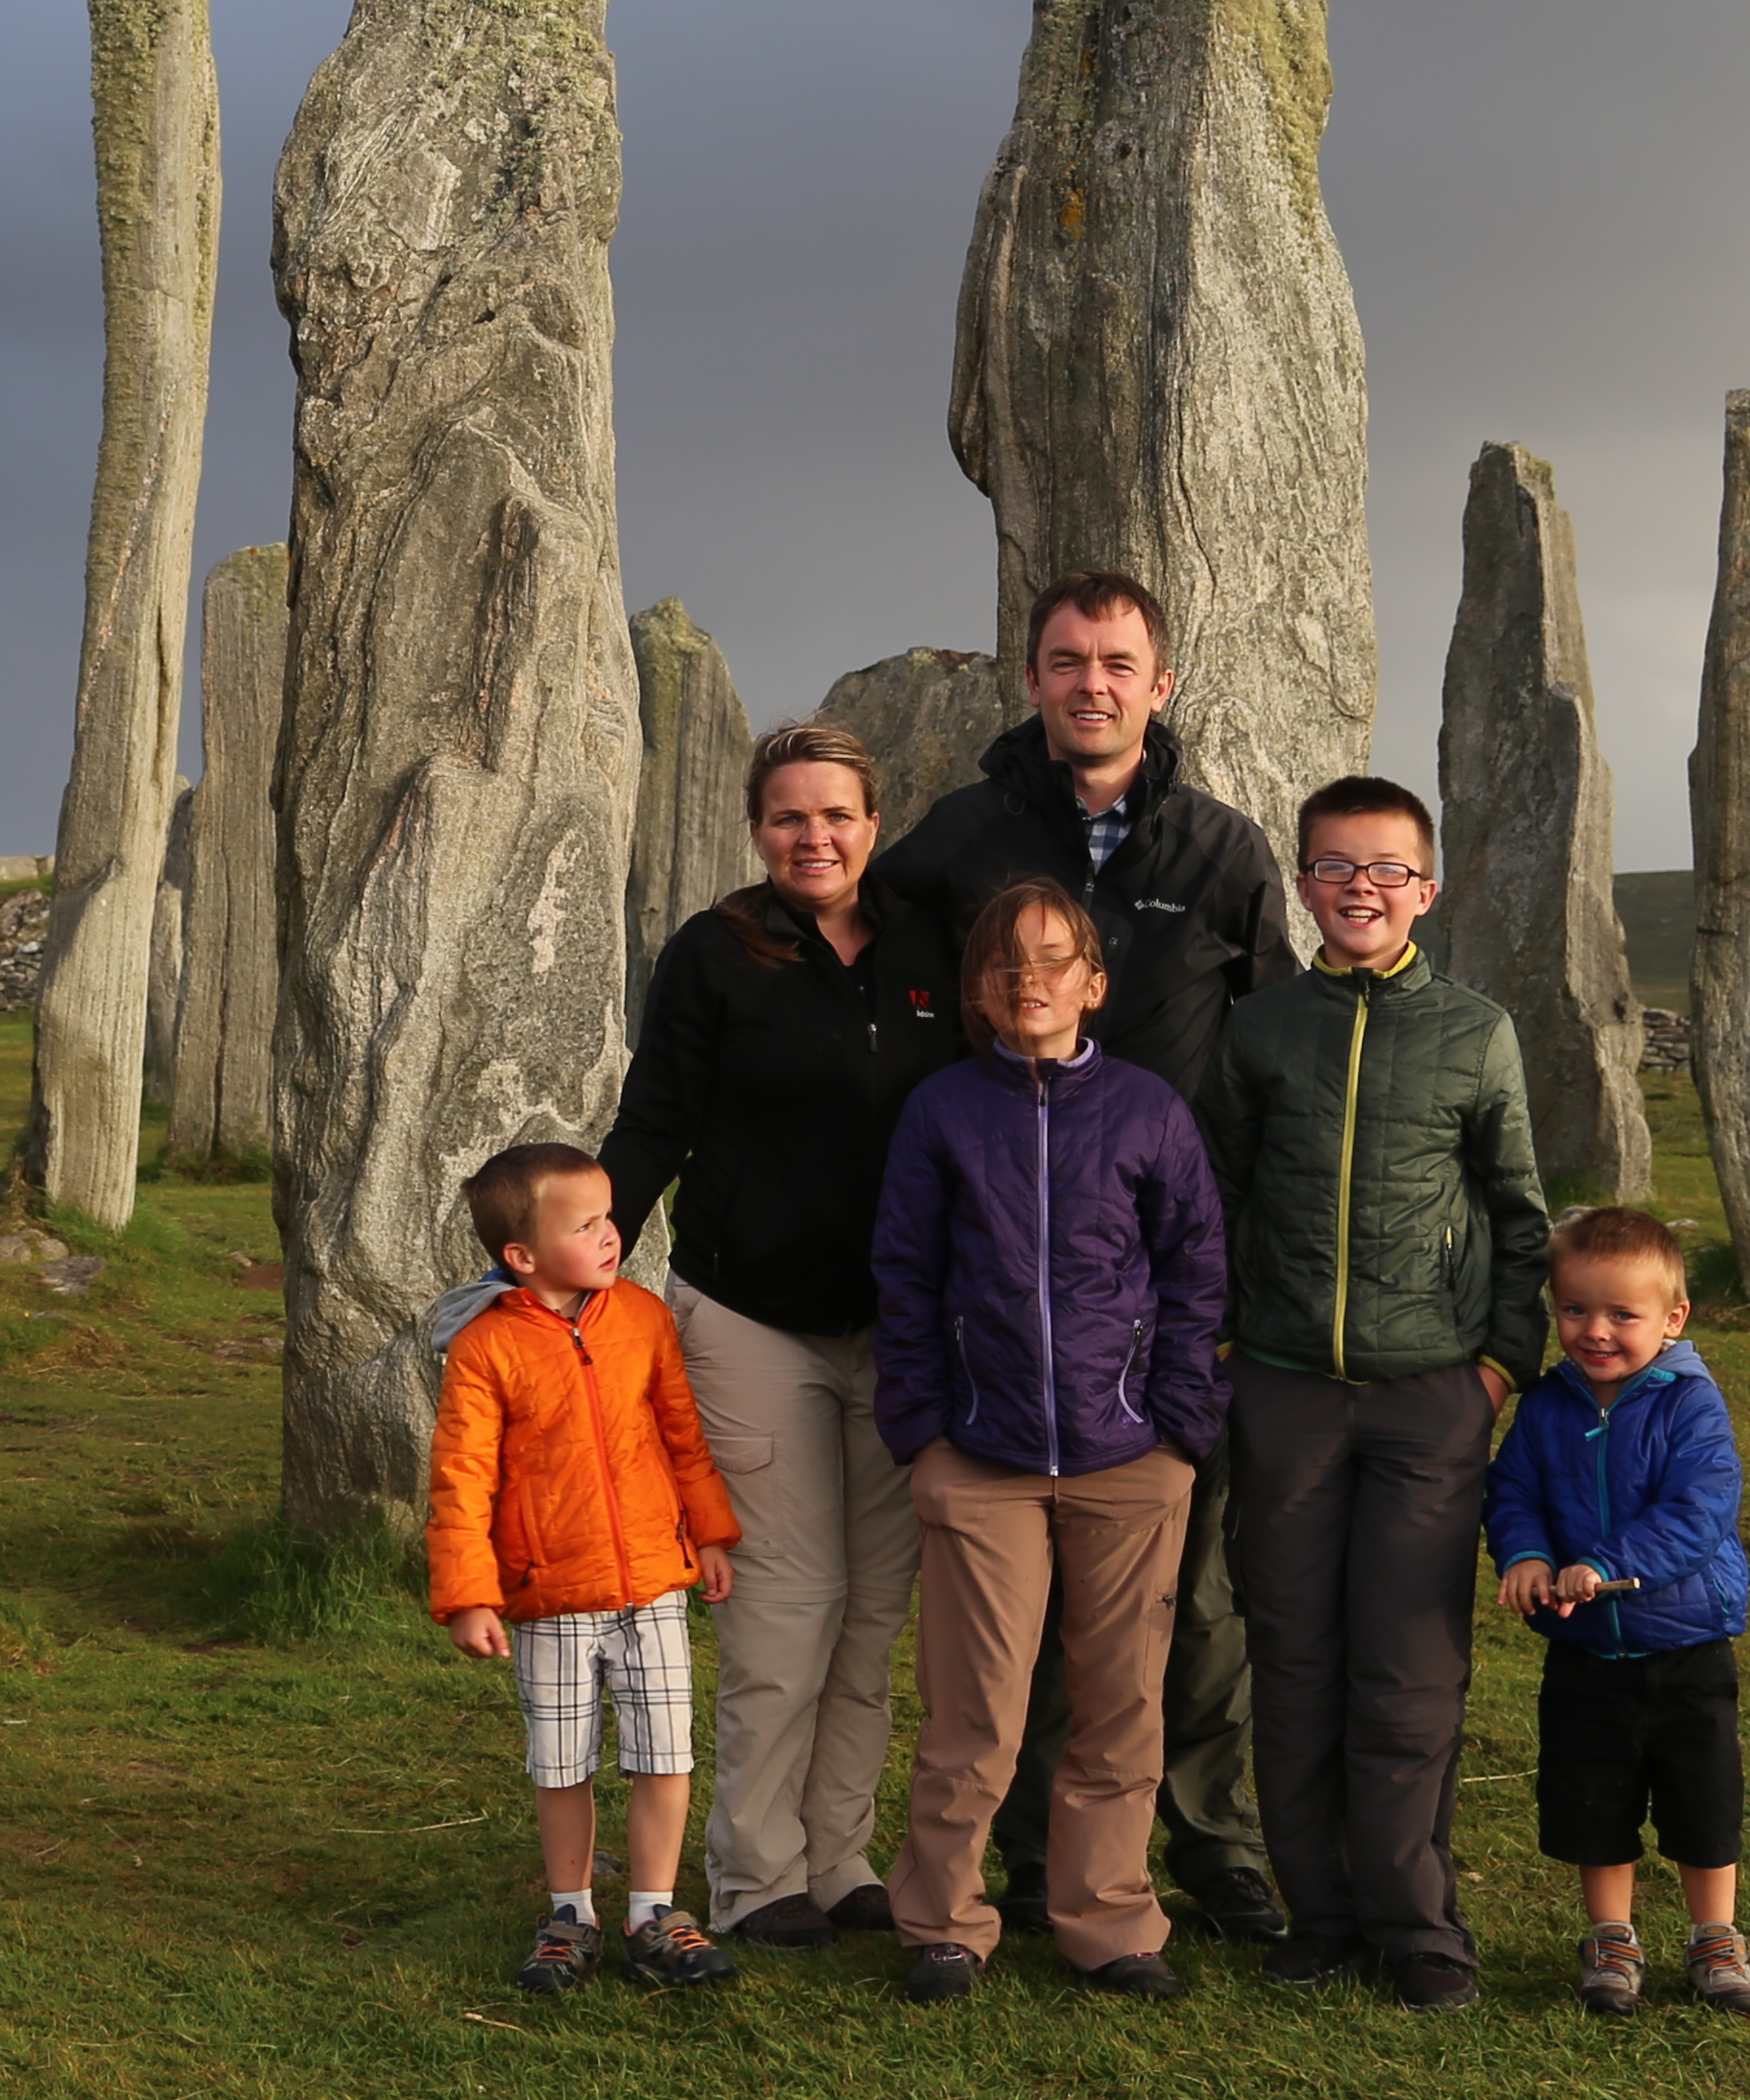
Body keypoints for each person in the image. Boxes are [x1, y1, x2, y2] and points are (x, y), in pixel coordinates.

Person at [884, 572, 1299, 1945]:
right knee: (1017, 1628)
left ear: (1159, 684)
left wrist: (1210, 1347)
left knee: (1192, 1604)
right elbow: (874, 994)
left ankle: (1214, 1844)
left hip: (1166, 1285)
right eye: (1067, 661)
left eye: (1118, 662)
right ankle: (1018, 1858)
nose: (1092, 684)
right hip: (996, 1267)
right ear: (1034, 681)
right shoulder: (960, 842)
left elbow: (1274, 1051)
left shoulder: (1221, 853)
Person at [598, 719, 971, 1947]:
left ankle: (838, 1856)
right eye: (787, 818)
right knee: (783, 1609)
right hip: (752, 1315)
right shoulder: (717, 953)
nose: (814, 838)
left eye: (837, 816)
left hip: (902, 1326)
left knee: (873, 1613)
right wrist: (587, 1264)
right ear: (757, 831)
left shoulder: (931, 943)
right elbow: (655, 1119)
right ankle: (757, 1874)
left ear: (875, 821)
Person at [1200, 773, 1552, 2011]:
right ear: (1302, 884)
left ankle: (1422, 1930)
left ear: (1427, 889)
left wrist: (1499, 1367)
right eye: (1338, 867)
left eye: (1388, 869)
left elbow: (1518, 1214)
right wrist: (1233, 1349)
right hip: (1285, 1391)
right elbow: (1219, 1202)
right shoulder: (1263, 1029)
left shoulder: (1474, 1031)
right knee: (1292, 1662)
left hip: (1428, 1397)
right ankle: (1322, 1912)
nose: (1363, 888)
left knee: (1407, 1671)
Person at [867, 878, 1232, 2005]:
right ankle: (944, 1921)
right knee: (976, 1708)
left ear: (1095, 984)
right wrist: (923, 1431)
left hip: (1128, 1456)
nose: (1030, 982)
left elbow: (1195, 1271)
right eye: (1005, 965)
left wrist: (1178, 1428)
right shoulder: (943, 1111)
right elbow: (906, 1274)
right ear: (979, 989)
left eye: (1054, 960)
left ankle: (1108, 1919)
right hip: (981, 1457)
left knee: (1122, 1704)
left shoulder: (1146, 1110)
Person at [423, 1140, 749, 1994]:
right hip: (549, 1594)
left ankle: (653, 1912)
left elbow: (682, 1433)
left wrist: (710, 1534)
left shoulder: (642, 1318)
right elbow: (462, 1476)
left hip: (652, 1585)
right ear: (521, 1256)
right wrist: (468, 1594)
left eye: (611, 1218)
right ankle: (570, 1914)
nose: (611, 1236)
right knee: (561, 1763)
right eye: (587, 1225)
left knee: (664, 1752)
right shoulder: (486, 1349)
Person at [1487, 1203, 1750, 2019]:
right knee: (1592, 1800)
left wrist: (1607, 1565)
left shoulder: (1690, 1404)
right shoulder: (1544, 1407)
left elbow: (1699, 1510)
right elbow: (1513, 1494)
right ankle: (1611, 1937)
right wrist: (1527, 1556)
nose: (1595, 1331)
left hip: (1687, 1643)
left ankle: (1716, 1937)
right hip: (1583, 1650)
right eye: (1575, 1310)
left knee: (1702, 1799)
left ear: (1673, 1319)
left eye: (1622, 1314)